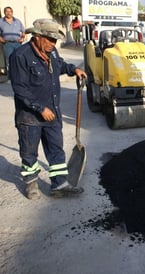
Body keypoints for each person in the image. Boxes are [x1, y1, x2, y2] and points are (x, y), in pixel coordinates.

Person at [9, 18, 87, 200]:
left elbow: (60, 65)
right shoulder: (20, 56)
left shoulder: (51, 53)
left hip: (53, 112)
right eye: (50, 39)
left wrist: (73, 69)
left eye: (55, 40)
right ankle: (31, 184)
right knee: (29, 152)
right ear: (37, 37)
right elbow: (20, 89)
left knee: (56, 150)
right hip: (30, 117)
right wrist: (40, 108)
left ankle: (59, 184)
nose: (53, 44)